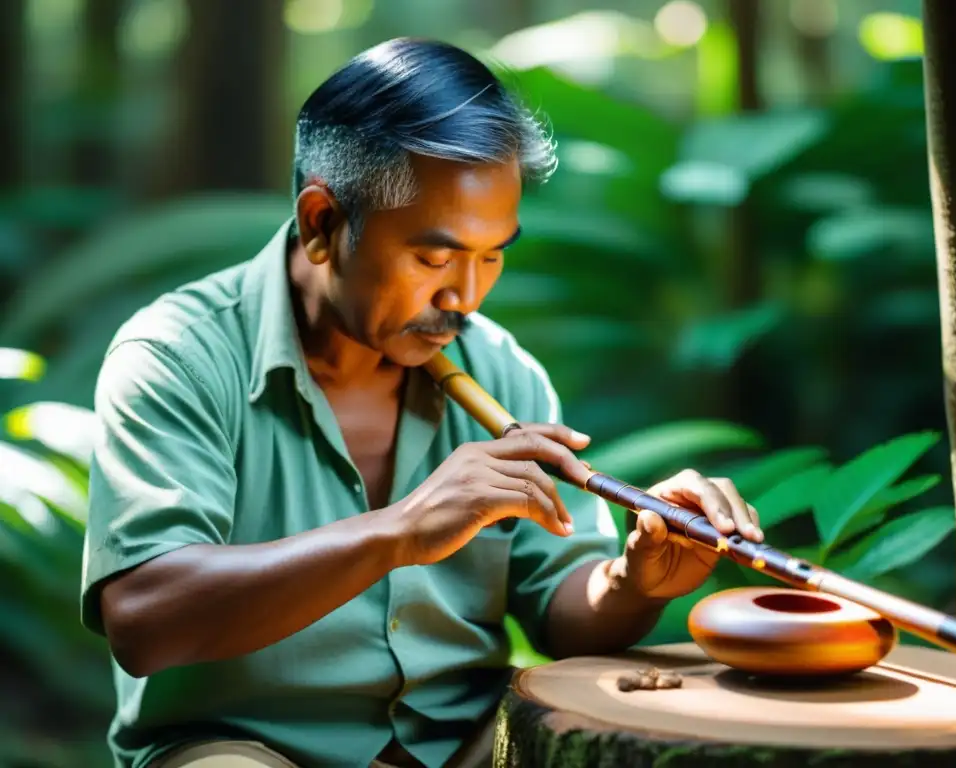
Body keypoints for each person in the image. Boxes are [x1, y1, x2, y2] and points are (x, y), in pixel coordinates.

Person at [81, 37, 763, 768]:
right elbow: (144, 618)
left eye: (493, 255)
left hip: (463, 747)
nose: (464, 298)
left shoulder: (501, 369)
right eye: (434, 259)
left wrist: (632, 582)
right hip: (239, 748)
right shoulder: (177, 355)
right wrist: (402, 530)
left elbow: (564, 616)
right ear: (323, 224)